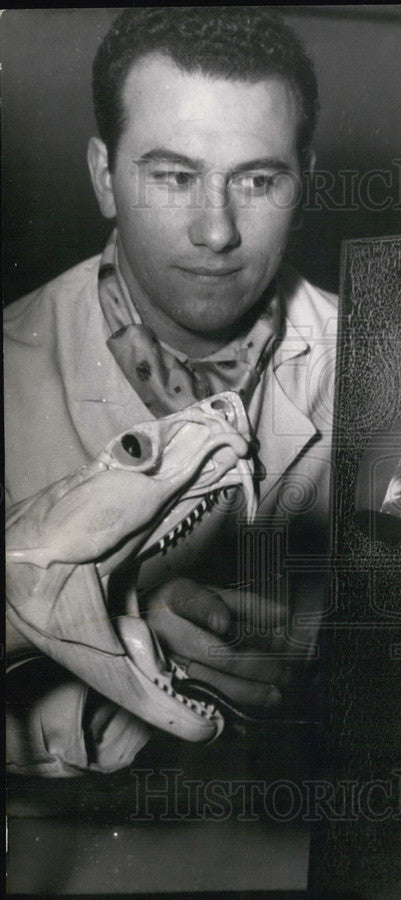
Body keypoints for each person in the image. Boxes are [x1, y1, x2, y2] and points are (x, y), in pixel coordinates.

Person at [5, 7, 338, 776]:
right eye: (174, 176)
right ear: (103, 177)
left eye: (256, 180)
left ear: (304, 183)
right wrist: (112, 644)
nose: (215, 230)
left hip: (314, 865)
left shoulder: (389, 369)